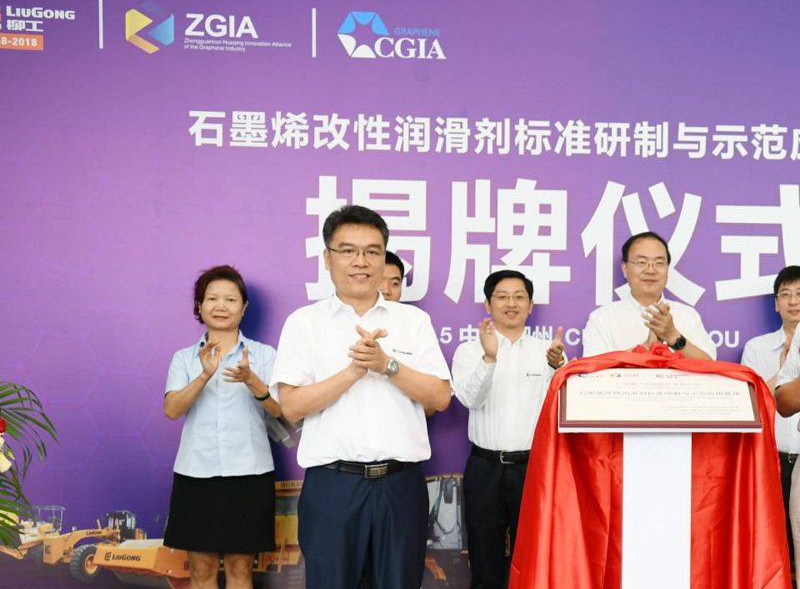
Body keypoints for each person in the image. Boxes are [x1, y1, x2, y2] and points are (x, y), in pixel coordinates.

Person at [270, 205, 451, 589]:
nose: (361, 261)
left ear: (384, 258)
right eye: (348, 250)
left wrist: (387, 365)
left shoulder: (413, 322)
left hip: (400, 486)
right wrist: (353, 371)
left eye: (372, 251)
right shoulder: (304, 323)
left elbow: (440, 397)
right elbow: (292, 405)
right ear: (327, 258)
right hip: (333, 486)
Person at [163, 265, 281, 589]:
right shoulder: (184, 358)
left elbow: (281, 409)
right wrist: (204, 375)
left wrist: (251, 380)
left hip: (249, 474)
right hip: (195, 475)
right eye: (212, 298)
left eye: (230, 299)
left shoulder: (264, 355)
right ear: (199, 306)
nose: (221, 306)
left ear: (244, 307)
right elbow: (172, 410)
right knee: (201, 571)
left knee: (240, 571)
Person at [452, 270, 565, 589]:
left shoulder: (549, 351)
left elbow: (561, 408)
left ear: (531, 305)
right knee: (484, 558)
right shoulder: (469, 350)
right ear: (488, 305)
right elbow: (469, 399)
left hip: (533, 468)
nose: (511, 304)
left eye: (519, 297)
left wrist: (557, 367)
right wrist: (489, 359)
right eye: (502, 297)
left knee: (533, 556)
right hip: (485, 467)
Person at [742, 265, 800, 571]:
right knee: (773, 547)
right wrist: (784, 368)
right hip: (771, 458)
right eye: (786, 294)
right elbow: (751, 404)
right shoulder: (757, 347)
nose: (793, 301)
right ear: (776, 303)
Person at [582, 231, 716, 359]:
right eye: (641, 262)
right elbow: (592, 367)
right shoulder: (603, 318)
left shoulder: (687, 315)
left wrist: (673, 336)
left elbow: (710, 365)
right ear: (625, 268)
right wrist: (645, 348)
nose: (651, 270)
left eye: (659, 263)